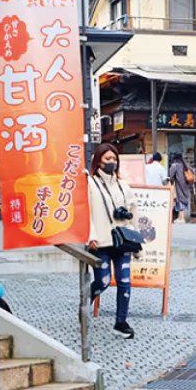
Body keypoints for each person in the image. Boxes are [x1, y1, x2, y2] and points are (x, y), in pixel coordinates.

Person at [87, 143, 140, 339]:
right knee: (103, 281)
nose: (111, 162)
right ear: (98, 160)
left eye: (114, 159)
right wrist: (91, 235)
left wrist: (136, 236)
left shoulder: (123, 185)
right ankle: (86, 301)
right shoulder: (90, 183)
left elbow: (133, 211)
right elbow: (87, 213)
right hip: (99, 242)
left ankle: (121, 322)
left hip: (122, 240)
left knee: (125, 281)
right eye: (107, 159)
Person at [169, 152, 194, 223]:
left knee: (180, 201)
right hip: (186, 186)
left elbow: (171, 175)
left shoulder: (175, 165)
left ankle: (182, 218)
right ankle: (180, 218)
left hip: (179, 186)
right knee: (182, 201)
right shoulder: (186, 165)